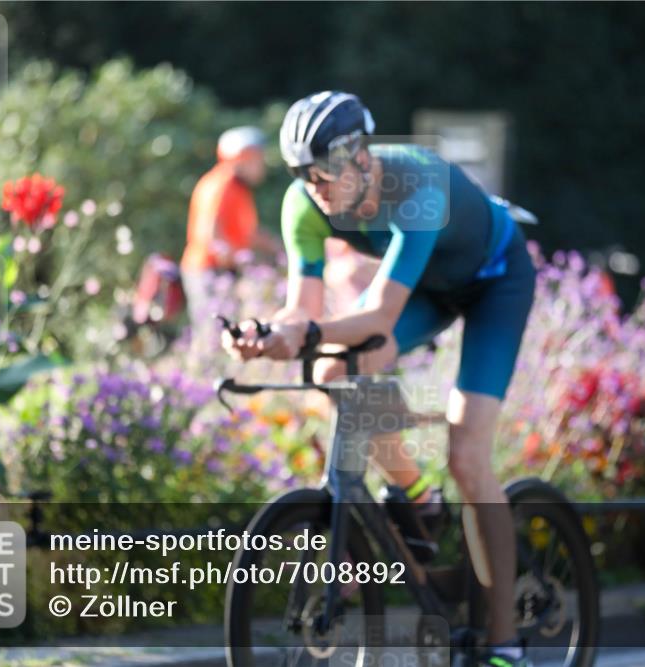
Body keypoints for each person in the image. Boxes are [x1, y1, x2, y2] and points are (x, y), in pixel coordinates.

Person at [222, 91, 536, 667]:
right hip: (431, 287)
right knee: (331, 367)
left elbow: (381, 319)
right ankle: (416, 492)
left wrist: (307, 329)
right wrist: (264, 331)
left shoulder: (415, 186)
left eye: (323, 171)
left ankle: (504, 640)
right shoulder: (303, 205)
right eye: (300, 174)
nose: (313, 187)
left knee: (468, 455)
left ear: (362, 158)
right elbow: (303, 308)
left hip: (496, 281)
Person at [179, 125, 280, 313]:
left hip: (221, 271)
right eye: (259, 160)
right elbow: (210, 234)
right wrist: (240, 262)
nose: (263, 166)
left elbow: (248, 232)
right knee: (212, 332)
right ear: (243, 157)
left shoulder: (238, 188)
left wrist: (277, 247)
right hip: (209, 271)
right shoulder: (222, 185)